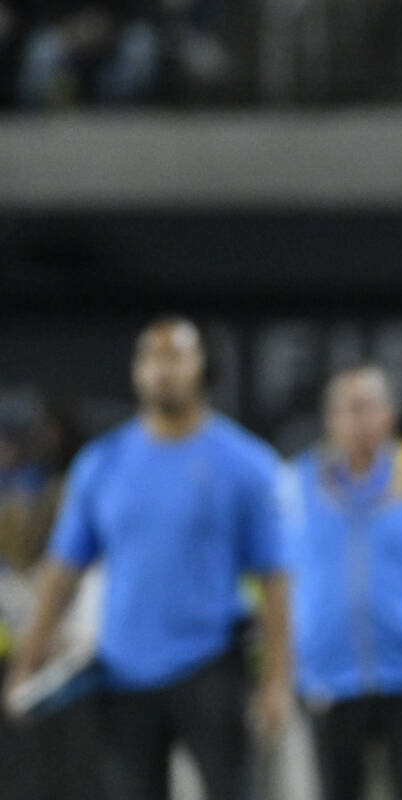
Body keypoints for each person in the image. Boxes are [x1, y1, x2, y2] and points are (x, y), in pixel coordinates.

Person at [2, 317, 291, 800]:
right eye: (152, 357)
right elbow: (61, 572)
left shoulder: (246, 463)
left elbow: (275, 579)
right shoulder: (101, 463)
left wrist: (278, 680)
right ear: (137, 370)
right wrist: (27, 662)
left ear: (201, 367)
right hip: (121, 669)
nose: (163, 369)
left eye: (176, 355)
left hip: (211, 663)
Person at [286, 364, 402, 800]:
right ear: (329, 418)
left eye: (368, 407)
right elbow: (270, 571)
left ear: (391, 414)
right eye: (346, 410)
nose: (358, 421)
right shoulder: (295, 484)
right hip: (329, 674)